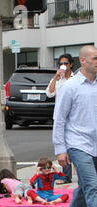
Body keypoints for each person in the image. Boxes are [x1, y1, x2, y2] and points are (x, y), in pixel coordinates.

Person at [53, 45, 97, 207]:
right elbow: (59, 119)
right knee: (93, 187)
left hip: (95, 144)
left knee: (84, 188)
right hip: (78, 144)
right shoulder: (71, 86)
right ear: (84, 61)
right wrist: (60, 149)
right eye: (95, 58)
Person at [46, 53, 75, 184]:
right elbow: (49, 93)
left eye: (66, 63)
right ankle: (66, 176)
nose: (63, 66)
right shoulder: (59, 79)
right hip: (60, 116)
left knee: (75, 145)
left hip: (74, 116)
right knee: (63, 146)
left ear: (71, 64)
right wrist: (56, 78)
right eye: (61, 63)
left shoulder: (76, 78)